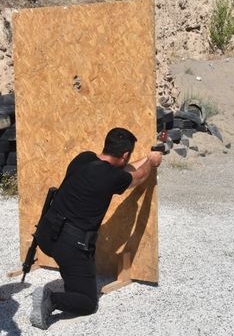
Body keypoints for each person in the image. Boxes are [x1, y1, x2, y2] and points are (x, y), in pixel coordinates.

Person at [29, 127, 162, 330]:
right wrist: (152, 162)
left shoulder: (84, 158)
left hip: (47, 234)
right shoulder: (112, 178)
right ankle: (51, 299)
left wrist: (146, 157)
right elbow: (139, 176)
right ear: (125, 154)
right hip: (70, 244)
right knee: (87, 302)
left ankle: (72, 277)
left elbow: (123, 171)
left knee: (75, 276)